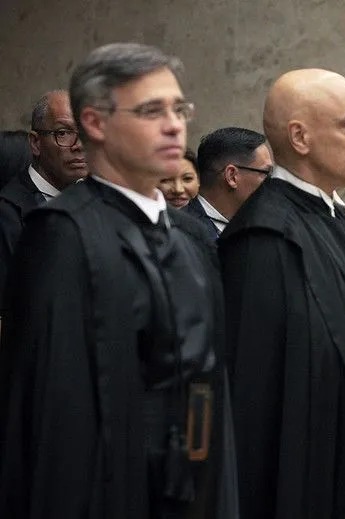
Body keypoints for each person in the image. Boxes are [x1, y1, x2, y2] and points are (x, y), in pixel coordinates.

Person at [0, 43, 237, 518]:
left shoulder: (190, 234)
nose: (174, 125)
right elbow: (54, 419)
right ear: (95, 123)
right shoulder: (62, 235)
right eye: (152, 111)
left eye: (179, 110)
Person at [218, 68, 345, 519]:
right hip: (303, 467)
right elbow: (306, 353)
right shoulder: (265, 234)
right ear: (300, 137)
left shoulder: (334, 218)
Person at [0, 90, 88, 310]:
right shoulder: (7, 215)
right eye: (63, 133)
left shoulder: (94, 201)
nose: (79, 145)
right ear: (35, 143)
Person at [188, 127, 271, 238]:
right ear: (232, 176)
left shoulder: (261, 227)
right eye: (266, 173)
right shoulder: (182, 232)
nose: (272, 182)